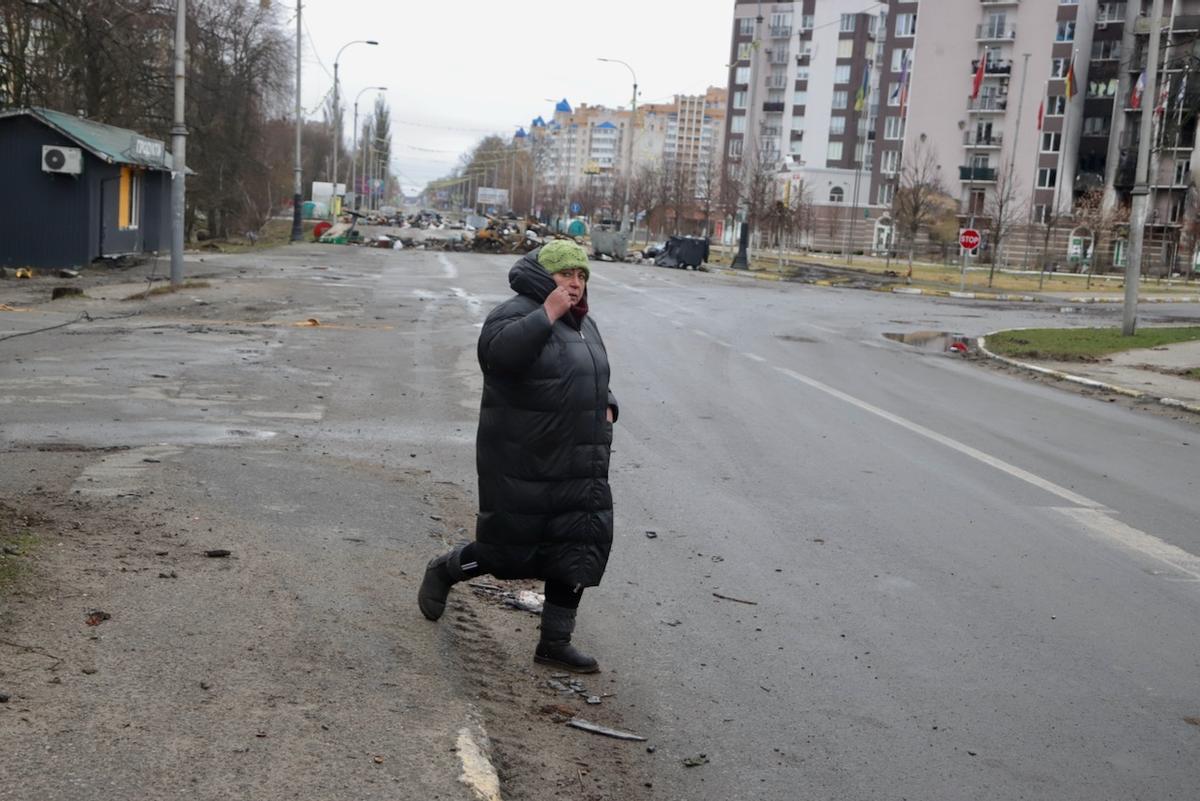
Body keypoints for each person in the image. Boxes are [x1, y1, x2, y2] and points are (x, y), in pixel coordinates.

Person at [418, 239, 618, 674]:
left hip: (579, 457)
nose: (576, 283)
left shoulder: (584, 324)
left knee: (576, 546)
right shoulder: (514, 314)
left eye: (581, 275)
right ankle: (446, 570)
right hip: (526, 456)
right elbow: (500, 357)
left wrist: (609, 404)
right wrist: (546, 313)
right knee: (506, 549)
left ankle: (554, 643)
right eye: (566, 274)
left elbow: (593, 371)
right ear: (545, 277)